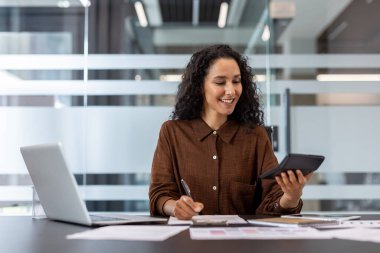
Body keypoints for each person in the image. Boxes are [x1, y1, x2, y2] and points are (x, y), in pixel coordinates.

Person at [149, 44, 312, 220]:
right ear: (199, 86)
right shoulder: (172, 132)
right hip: (187, 242)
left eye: (236, 81)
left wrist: (290, 197)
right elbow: (160, 194)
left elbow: (272, 202)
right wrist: (174, 207)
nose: (231, 90)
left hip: (242, 243)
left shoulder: (255, 136)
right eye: (220, 82)